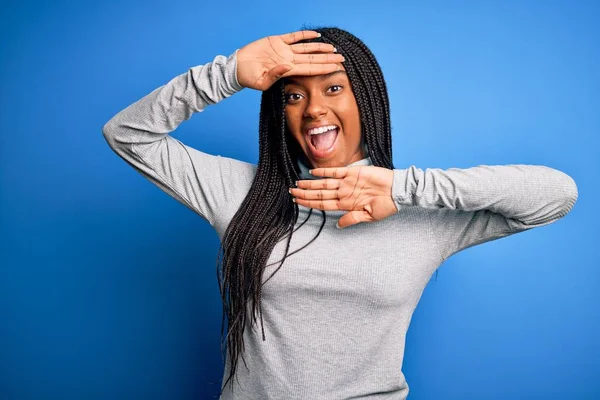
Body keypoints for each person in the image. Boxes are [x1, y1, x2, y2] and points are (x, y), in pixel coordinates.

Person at [102, 27, 578, 399]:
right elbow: (127, 135)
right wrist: (226, 74)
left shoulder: (419, 209)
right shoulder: (240, 192)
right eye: (294, 95)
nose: (312, 109)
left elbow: (557, 193)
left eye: (333, 88)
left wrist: (406, 186)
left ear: (366, 100)